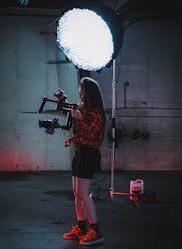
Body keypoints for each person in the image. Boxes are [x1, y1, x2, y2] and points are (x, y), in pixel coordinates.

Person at [63, 77, 106, 246]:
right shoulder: (83, 108)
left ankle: (96, 230)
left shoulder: (96, 112)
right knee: (76, 193)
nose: (80, 95)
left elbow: (92, 133)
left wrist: (79, 118)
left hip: (89, 153)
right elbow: (73, 109)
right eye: (80, 91)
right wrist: (62, 100)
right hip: (80, 151)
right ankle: (81, 227)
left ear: (90, 93)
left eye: (82, 92)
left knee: (82, 193)